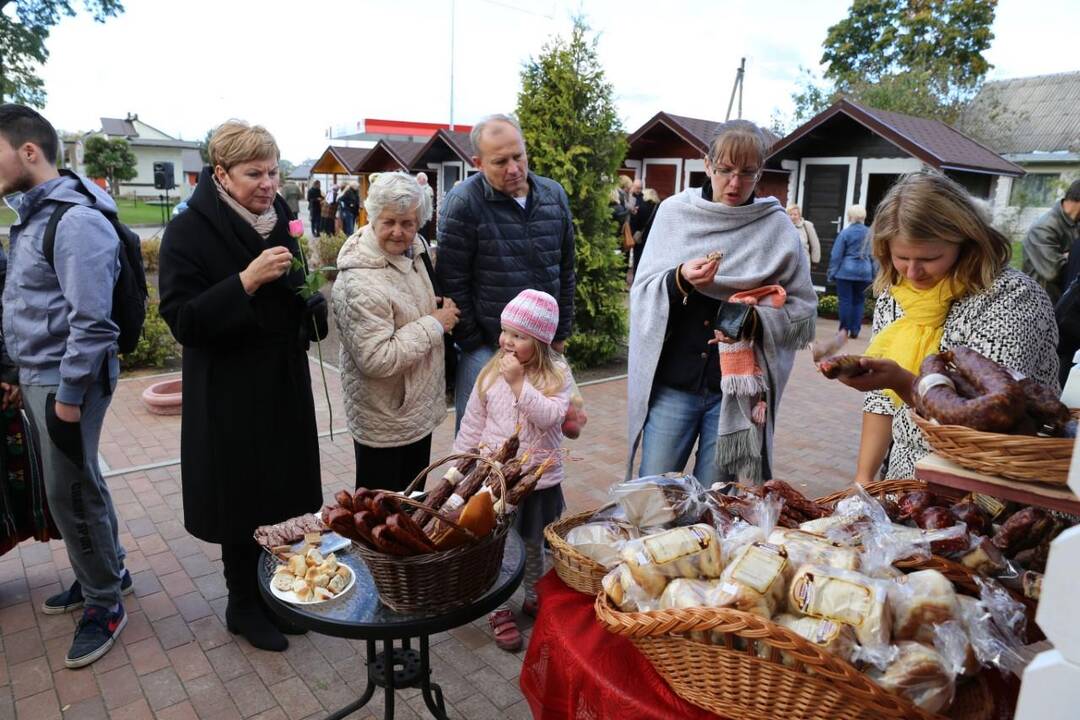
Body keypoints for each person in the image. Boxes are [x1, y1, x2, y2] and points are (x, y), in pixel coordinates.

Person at [158, 120, 328, 652]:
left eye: (273, 172)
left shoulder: (281, 221)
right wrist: (245, 282)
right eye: (253, 173)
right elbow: (182, 319)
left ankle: (275, 595)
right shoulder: (188, 232)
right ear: (221, 175)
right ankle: (242, 605)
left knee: (281, 494)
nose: (267, 183)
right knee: (241, 499)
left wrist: (313, 306)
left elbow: (297, 300)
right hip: (228, 392)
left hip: (280, 383)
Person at [0, 104, 132, 669]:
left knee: (68, 492)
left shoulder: (73, 220)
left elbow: (93, 322)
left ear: (29, 152)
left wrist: (70, 400)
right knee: (83, 482)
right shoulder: (33, 214)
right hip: (41, 375)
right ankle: (108, 571)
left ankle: (105, 603)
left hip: (65, 380)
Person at [826, 172, 1058, 483]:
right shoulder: (897, 293)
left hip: (995, 483)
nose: (913, 271)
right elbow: (881, 400)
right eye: (901, 257)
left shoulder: (1011, 297)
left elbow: (995, 414)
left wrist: (902, 381)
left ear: (966, 241)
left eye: (929, 258)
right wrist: (864, 479)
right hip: (909, 476)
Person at [628, 119, 817, 487]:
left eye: (747, 173)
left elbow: (804, 316)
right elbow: (643, 290)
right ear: (707, 165)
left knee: (715, 503)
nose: (735, 183)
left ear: (760, 172)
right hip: (674, 386)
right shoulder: (674, 214)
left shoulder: (776, 227)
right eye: (726, 170)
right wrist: (679, 278)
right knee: (650, 496)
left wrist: (756, 321)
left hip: (736, 398)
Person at [436, 113, 575, 433]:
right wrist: (473, 342)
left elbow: (566, 268)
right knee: (478, 438)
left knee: (537, 434)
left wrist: (560, 334)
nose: (513, 169)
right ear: (478, 162)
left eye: (519, 156)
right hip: (486, 348)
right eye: (500, 161)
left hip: (542, 345)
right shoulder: (464, 202)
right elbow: (452, 279)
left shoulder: (553, 195)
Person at [452, 289, 571, 652]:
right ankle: (499, 608)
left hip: (538, 481)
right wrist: (458, 472)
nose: (507, 341)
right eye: (505, 332)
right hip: (496, 480)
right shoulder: (489, 373)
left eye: (519, 336)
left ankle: (534, 593)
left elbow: (551, 418)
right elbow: (472, 425)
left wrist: (520, 384)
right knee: (498, 548)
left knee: (534, 545)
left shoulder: (557, 374)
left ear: (540, 341)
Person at [332, 172, 459, 491]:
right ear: (371, 216)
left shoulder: (415, 251)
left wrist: (435, 305)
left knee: (410, 502)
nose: (399, 232)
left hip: (414, 410)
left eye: (408, 223)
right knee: (379, 516)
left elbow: (409, 303)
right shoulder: (358, 281)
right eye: (389, 221)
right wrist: (435, 323)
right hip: (385, 415)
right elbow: (377, 358)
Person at [1024, 179, 1080, 303]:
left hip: (1063, 299)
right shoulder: (1043, 228)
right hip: (1040, 302)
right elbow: (1051, 271)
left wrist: (1065, 256)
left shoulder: (1075, 224)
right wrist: (1073, 256)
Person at [826, 205, 874, 339]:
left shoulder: (845, 233)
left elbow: (836, 255)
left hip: (846, 272)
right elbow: (874, 256)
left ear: (850, 216)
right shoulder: (870, 233)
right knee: (859, 301)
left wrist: (831, 273)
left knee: (845, 301)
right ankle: (855, 330)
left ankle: (843, 330)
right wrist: (874, 274)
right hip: (865, 272)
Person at [628, 186, 659, 286]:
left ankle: (636, 281)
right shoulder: (658, 207)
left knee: (638, 259)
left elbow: (635, 221)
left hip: (640, 238)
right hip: (652, 238)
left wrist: (633, 232)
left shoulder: (641, 207)